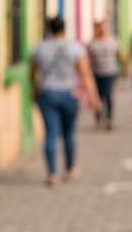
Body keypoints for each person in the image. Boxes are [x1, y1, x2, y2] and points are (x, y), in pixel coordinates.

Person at [31, 16, 98, 186]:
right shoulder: (75, 48)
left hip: (48, 94)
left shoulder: (41, 48)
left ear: (49, 29)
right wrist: (94, 97)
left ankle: (52, 174)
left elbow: (33, 71)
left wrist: (34, 89)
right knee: (69, 133)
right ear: (64, 29)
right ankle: (70, 169)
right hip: (69, 94)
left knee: (51, 134)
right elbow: (86, 74)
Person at [87, 19, 123, 130]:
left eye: (103, 27)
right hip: (96, 73)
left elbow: (118, 55)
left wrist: (123, 66)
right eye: (99, 27)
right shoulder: (93, 43)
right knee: (97, 96)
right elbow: (88, 58)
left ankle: (108, 119)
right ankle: (98, 117)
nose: (101, 29)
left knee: (107, 95)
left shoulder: (113, 41)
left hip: (109, 72)